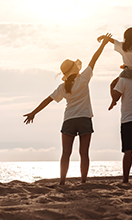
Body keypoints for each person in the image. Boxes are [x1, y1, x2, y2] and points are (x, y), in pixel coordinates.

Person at [23, 33, 112, 185]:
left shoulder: (63, 87)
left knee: (65, 154)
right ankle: (83, 181)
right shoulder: (84, 78)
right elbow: (94, 58)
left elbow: (48, 100)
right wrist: (104, 44)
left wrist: (33, 113)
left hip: (69, 120)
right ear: (76, 69)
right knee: (84, 153)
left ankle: (62, 181)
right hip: (84, 119)